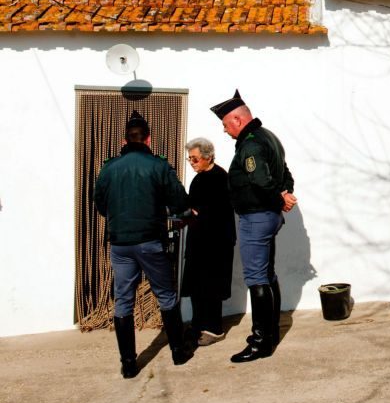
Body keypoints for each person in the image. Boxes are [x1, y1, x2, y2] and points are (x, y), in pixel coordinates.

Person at [94, 111, 191, 378]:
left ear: (126, 139)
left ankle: (128, 364)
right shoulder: (158, 165)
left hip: (121, 244)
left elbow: (100, 202)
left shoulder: (109, 167)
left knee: (123, 301)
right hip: (150, 241)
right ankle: (178, 353)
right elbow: (180, 201)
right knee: (166, 295)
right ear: (148, 139)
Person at [210, 90, 297, 363]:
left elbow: (259, 180)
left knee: (257, 278)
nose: (225, 131)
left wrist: (277, 197)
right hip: (266, 215)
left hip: (256, 217)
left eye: (225, 125)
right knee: (267, 275)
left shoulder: (250, 144)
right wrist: (285, 194)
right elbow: (285, 172)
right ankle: (270, 336)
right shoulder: (268, 136)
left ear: (237, 119)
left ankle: (260, 343)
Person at [180, 137, 235, 347]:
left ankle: (214, 328)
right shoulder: (199, 178)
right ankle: (197, 324)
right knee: (196, 286)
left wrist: (197, 212)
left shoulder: (220, 177)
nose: (192, 163)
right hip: (199, 241)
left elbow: (219, 210)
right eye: (190, 159)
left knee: (211, 286)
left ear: (207, 157)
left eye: (195, 159)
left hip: (215, 243)